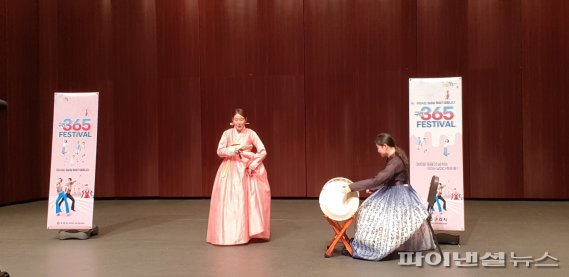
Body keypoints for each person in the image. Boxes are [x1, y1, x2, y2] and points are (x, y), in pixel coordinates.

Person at [342, 133, 435, 261]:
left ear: (385, 146)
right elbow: (389, 179)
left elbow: (378, 179)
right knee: (367, 208)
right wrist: (374, 189)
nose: (378, 151)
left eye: (378, 148)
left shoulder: (395, 161)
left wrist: (351, 187)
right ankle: (370, 242)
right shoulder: (394, 157)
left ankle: (375, 246)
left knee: (367, 211)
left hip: (399, 196)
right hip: (397, 191)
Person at [206, 108, 271, 245]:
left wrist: (253, 164)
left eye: (241, 119)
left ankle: (247, 231)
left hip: (246, 168)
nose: (238, 122)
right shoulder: (227, 133)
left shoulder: (251, 133)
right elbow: (220, 150)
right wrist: (232, 150)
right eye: (236, 119)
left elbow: (262, 150)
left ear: (246, 120)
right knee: (230, 200)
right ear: (232, 121)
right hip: (230, 166)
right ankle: (230, 233)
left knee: (247, 200)